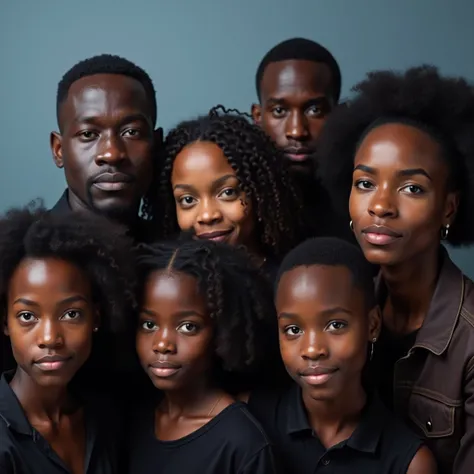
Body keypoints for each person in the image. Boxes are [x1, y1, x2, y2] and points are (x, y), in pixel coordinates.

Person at [316, 65, 474, 474]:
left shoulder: (470, 341)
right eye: (365, 183)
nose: (381, 206)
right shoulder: (336, 302)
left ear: (449, 208)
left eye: (412, 188)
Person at [246, 237, 436, 474]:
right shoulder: (251, 420)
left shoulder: (410, 463)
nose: (313, 349)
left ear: (373, 325)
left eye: (336, 325)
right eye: (293, 330)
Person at [0, 204, 135, 473]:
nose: (50, 338)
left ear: (96, 318)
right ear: (5, 322)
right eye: (27, 316)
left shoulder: (107, 419)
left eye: (71, 314)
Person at [127, 239, 279, 473]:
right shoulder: (133, 420)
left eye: (188, 327)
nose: (162, 344)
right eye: (148, 324)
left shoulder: (241, 443)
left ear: (222, 333)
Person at [146, 106, 308, 280]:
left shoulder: (290, 282)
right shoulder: (168, 287)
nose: (207, 215)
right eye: (187, 200)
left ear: (259, 193)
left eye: (227, 192)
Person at [50, 54, 163, 242]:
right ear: (59, 150)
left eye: (131, 132)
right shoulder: (17, 258)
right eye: (88, 134)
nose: (111, 154)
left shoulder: (179, 256)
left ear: (156, 146)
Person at [251, 38, 350, 241]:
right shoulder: (236, 208)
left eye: (314, 110)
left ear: (339, 115)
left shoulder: (365, 201)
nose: (297, 131)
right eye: (279, 111)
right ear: (258, 117)